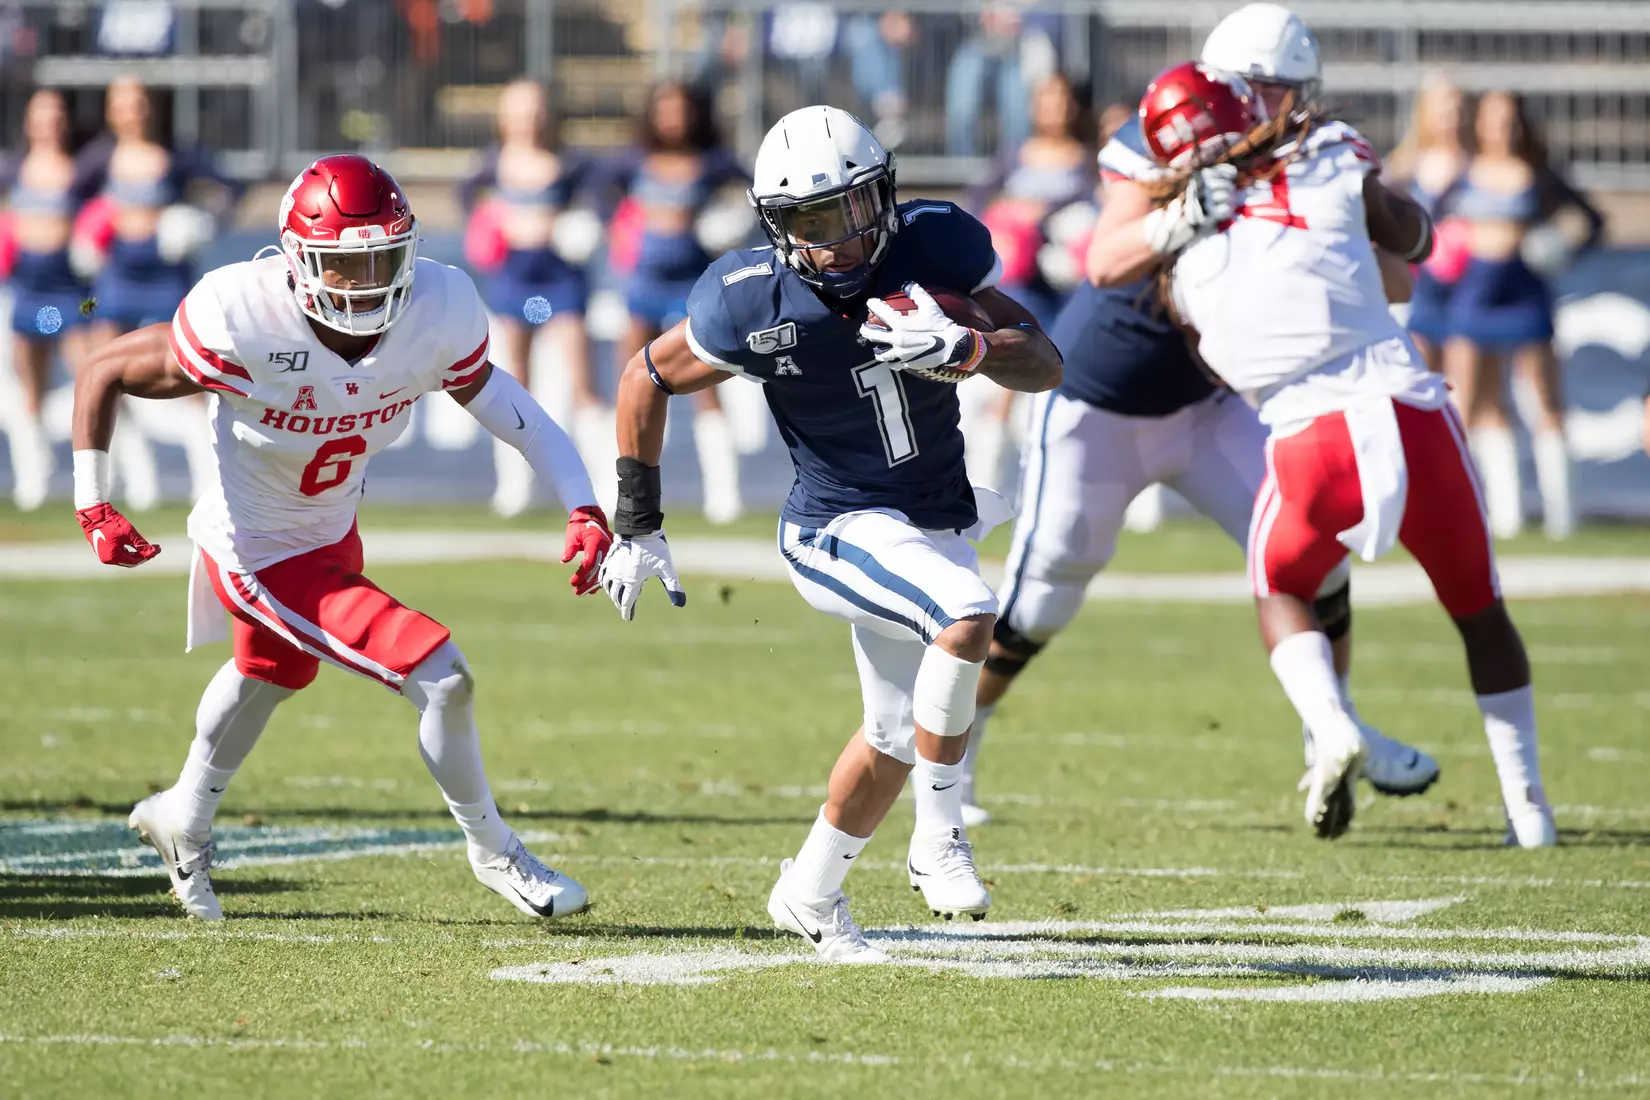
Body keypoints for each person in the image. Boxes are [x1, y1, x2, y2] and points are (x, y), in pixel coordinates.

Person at [70, 154, 613, 920]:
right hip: (256, 549)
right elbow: (103, 370)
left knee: (271, 672)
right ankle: (494, 850)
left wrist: (584, 506)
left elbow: (516, 412)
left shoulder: (437, 307)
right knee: (443, 675)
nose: (363, 280)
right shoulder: (241, 314)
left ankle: (182, 815)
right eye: (343, 263)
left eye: (378, 259)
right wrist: (94, 505)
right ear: (297, 260)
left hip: (331, 531)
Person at [598, 106, 1062, 960]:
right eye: (812, 222)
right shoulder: (753, 301)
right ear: (778, 228)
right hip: (835, 527)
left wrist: (969, 345)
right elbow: (644, 374)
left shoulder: (935, 248)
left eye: (851, 210)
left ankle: (808, 892)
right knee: (967, 614)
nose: (839, 239)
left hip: (931, 518)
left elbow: (1044, 359)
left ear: (882, 195)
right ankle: (940, 834)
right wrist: (639, 522)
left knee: (892, 734)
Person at [959, 4, 1438, 829]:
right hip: (1099, 403)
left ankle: (1332, 729)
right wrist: (1181, 215)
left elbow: (1400, 279)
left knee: (1314, 560)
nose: (1285, 107)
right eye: (1270, 89)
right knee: (1042, 600)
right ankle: (953, 757)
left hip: (1208, 402)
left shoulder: (1307, 150)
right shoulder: (1163, 137)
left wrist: (1368, 215)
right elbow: (1103, 261)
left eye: (1294, 90)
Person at [1142, 61, 1554, 845]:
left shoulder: (1187, 263)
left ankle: (1330, 722)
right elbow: (1415, 242)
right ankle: (1529, 810)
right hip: (1407, 408)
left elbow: (1218, 359)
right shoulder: (1328, 154)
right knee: (1480, 612)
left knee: (1278, 583)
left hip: (1308, 435)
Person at [73, 75, 244, 508]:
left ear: (153, 106)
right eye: (123, 102)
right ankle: (137, 478)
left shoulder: (178, 153)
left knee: (194, 371)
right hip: (116, 279)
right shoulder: (100, 157)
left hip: (169, 278)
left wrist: (202, 219)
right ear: (111, 109)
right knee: (107, 370)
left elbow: (231, 188)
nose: (134, 110)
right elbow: (69, 197)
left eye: (140, 101)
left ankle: (207, 479)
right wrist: (89, 230)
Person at [1441, 91, 1604, 541]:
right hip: (1474, 297)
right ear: (1481, 125)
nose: (1503, 129)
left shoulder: (1539, 175)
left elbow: (1592, 221)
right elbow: (1425, 223)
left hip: (1526, 295)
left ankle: (1562, 515)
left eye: (1511, 120)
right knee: (1479, 404)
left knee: (1546, 401)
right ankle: (1498, 514)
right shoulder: (1463, 175)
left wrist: (1558, 248)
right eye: (1495, 120)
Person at [592, 82, 750, 524]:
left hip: (693, 287)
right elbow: (598, 193)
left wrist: (731, 219)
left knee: (708, 388)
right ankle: (618, 487)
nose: (673, 119)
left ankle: (724, 493)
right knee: (630, 384)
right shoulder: (631, 160)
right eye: (665, 110)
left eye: (682, 110)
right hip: (641, 285)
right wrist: (616, 226)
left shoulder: (714, 162)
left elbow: (752, 194)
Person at [457, 80, 607, 517]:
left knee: (583, 384)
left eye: (537, 110)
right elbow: (467, 197)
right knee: (514, 383)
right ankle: (515, 486)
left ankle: (605, 486)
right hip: (513, 285)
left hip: (561, 285)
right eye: (520, 111)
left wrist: (582, 225)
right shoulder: (492, 164)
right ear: (504, 118)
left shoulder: (572, 163)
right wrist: (488, 221)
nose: (530, 120)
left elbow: (602, 202)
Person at [961, 72, 1095, 494]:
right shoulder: (1015, 157)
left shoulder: (1087, 160)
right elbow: (976, 202)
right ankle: (984, 483)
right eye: (1045, 97)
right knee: (1001, 389)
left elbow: (1093, 208)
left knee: (1048, 389)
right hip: (1011, 292)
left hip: (1060, 295)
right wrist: (1010, 216)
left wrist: (1048, 215)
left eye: (1062, 97)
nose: (1054, 106)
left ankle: (1050, 486)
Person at [2, 88, 88, 511]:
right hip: (27, 293)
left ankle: (99, 476)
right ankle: (35, 478)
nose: (50, 122)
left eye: (57, 114)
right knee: (29, 386)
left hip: (71, 295)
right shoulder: (13, 168)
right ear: (28, 122)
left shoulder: (82, 169)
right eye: (42, 114)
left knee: (89, 378)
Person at [1384, 73, 1470, 375]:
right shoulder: (1402, 167)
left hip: (1470, 289)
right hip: (1421, 287)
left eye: (1458, 106)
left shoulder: (1475, 164)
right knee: (1422, 375)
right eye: (1444, 105)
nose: (1453, 114)